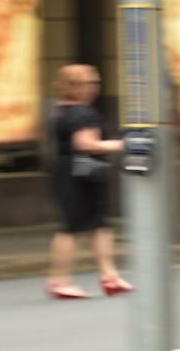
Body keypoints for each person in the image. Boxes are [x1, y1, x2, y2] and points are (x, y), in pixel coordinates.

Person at [45, 64, 133, 299]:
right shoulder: (83, 113)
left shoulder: (60, 110)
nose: (94, 88)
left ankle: (109, 275)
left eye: (96, 83)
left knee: (99, 225)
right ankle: (60, 279)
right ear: (73, 87)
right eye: (89, 83)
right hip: (81, 175)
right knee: (72, 228)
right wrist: (124, 144)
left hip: (69, 173)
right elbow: (87, 144)